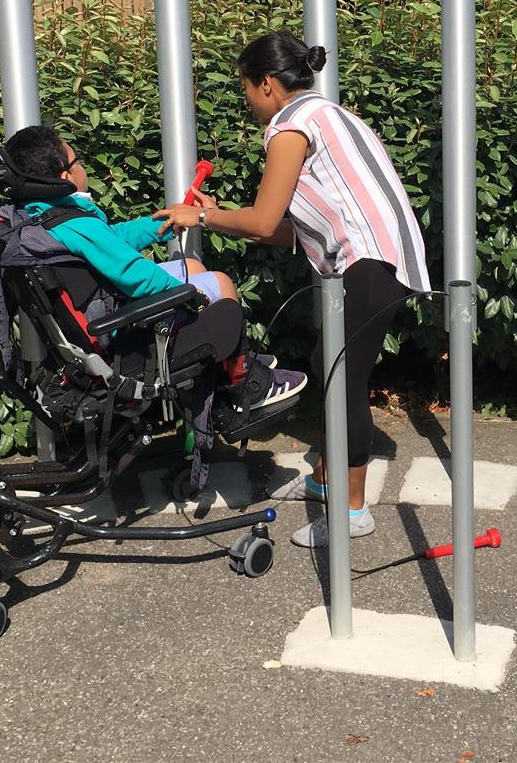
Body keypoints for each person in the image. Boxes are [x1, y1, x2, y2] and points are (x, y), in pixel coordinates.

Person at [155, 31, 430, 547]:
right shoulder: (329, 114)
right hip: (383, 259)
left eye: (245, 89)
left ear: (266, 84)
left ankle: (351, 512)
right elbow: (288, 231)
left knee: (340, 380)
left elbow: (261, 223)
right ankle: (326, 482)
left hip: (368, 262)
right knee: (328, 362)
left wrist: (203, 215)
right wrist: (214, 215)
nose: (246, 102)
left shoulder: (291, 125)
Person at [3, 125, 306, 409]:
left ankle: (234, 364)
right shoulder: (77, 224)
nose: (83, 167)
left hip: (101, 318)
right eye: (77, 160)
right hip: (121, 335)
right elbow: (136, 277)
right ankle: (244, 382)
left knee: (191, 264)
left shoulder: (44, 216)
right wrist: (189, 296)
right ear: (66, 176)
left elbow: (111, 240)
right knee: (221, 284)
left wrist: (161, 223)